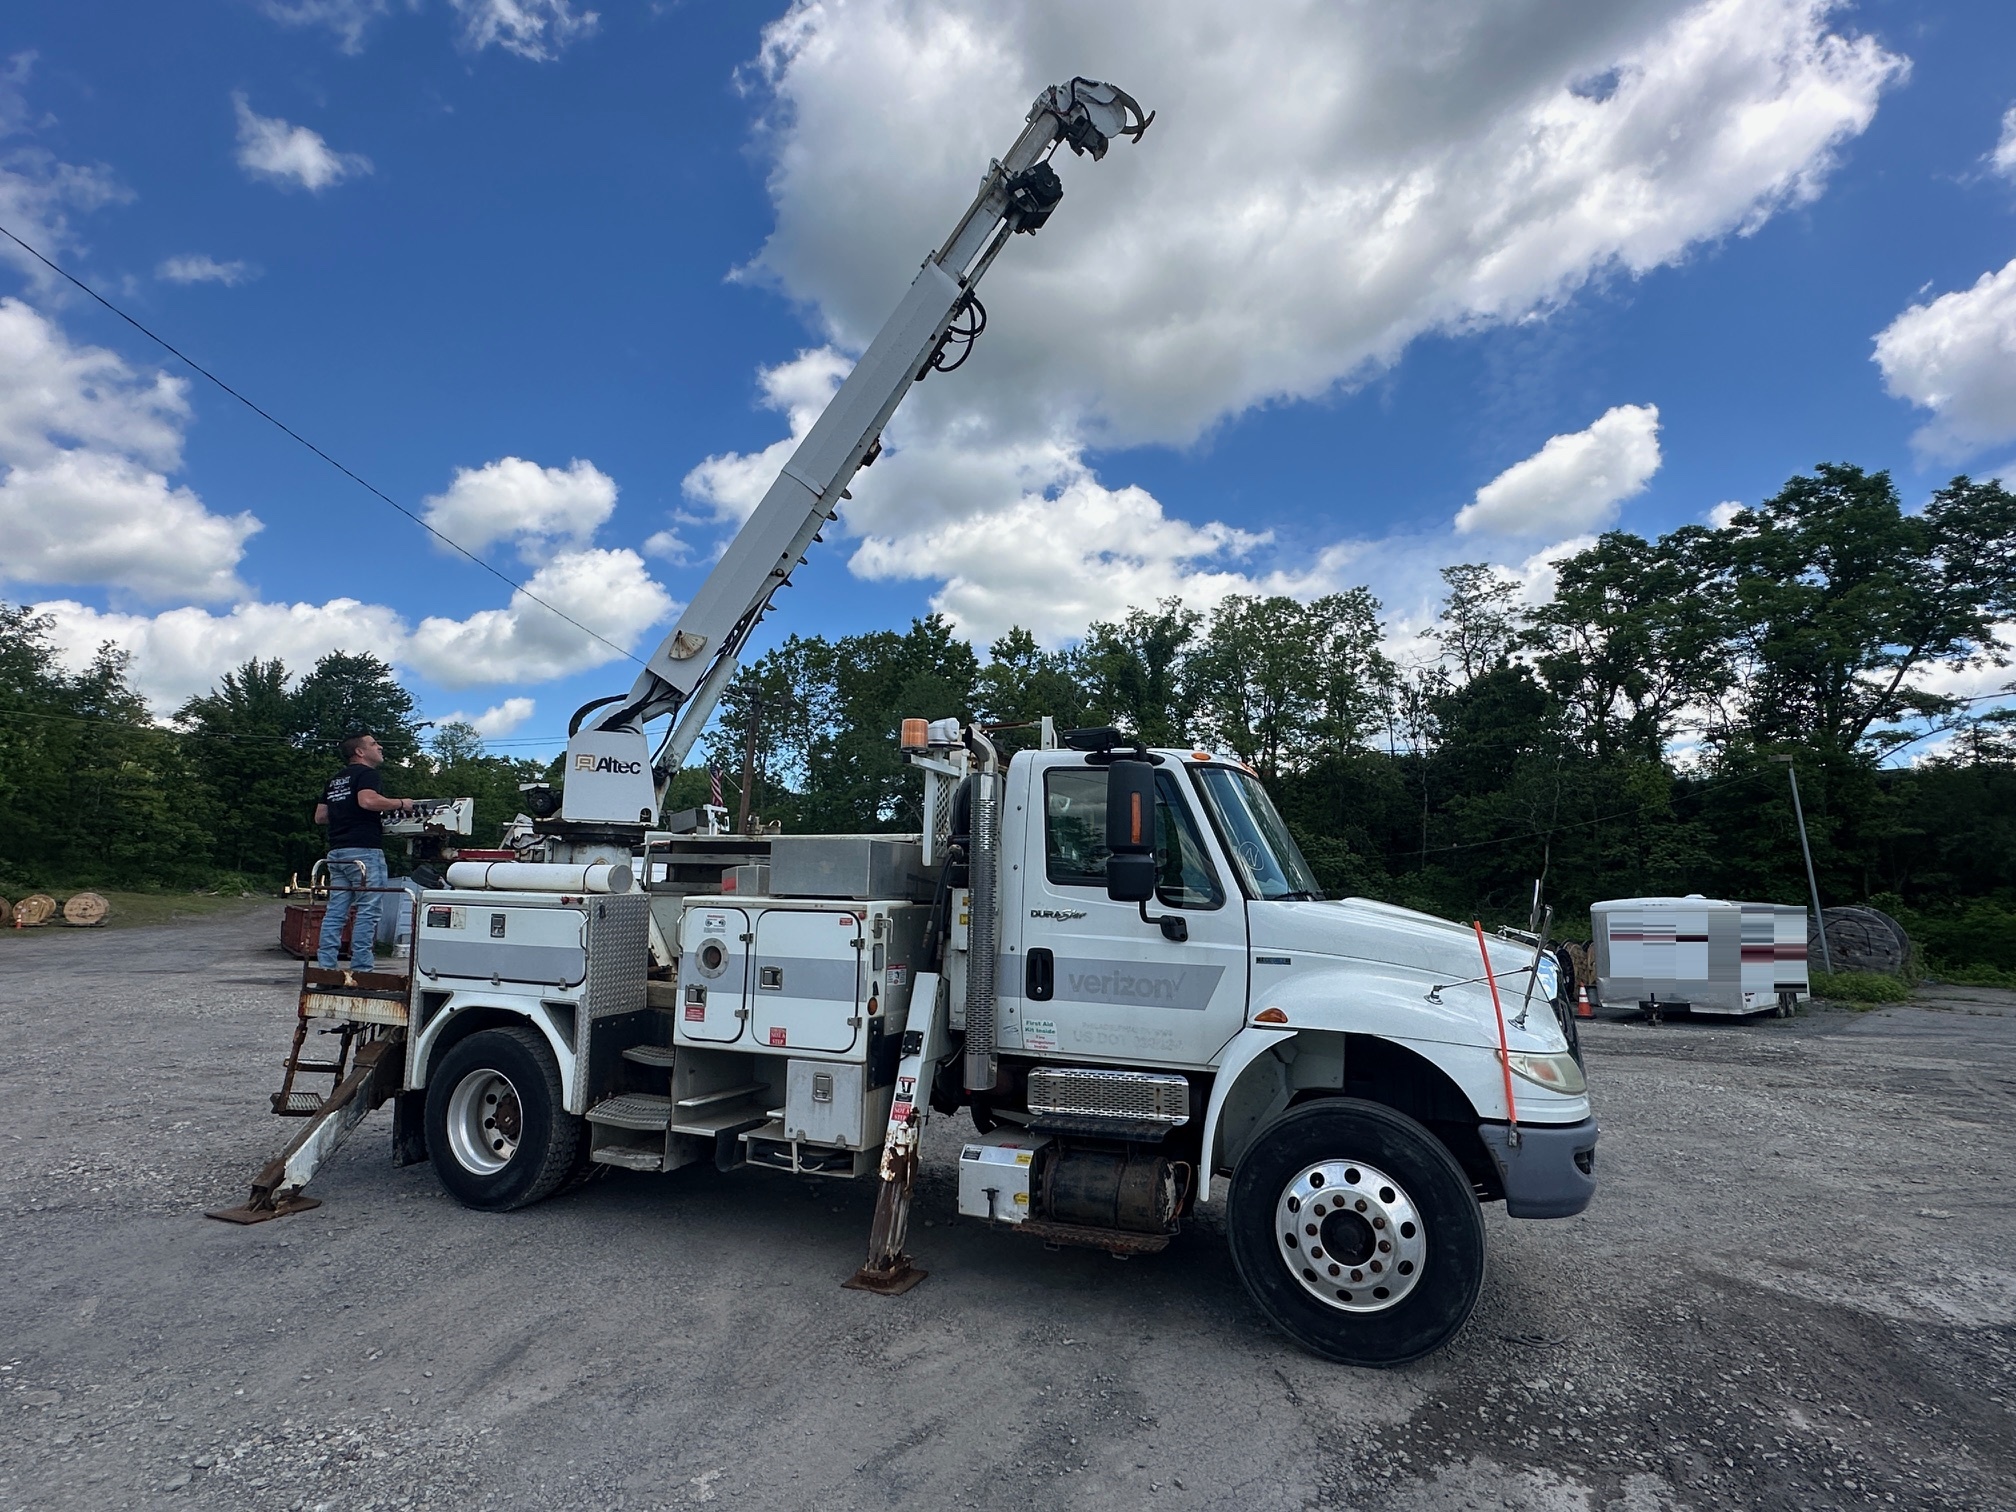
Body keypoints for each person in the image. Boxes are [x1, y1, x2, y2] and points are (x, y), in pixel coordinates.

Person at [313, 732, 415, 972]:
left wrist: (345, 813)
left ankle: (325, 969)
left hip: (337, 853)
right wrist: (401, 803)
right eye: (373, 744)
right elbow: (368, 801)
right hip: (364, 852)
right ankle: (362, 970)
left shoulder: (336, 780)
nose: (379, 747)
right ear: (360, 752)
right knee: (368, 910)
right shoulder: (367, 774)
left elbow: (320, 817)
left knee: (336, 912)